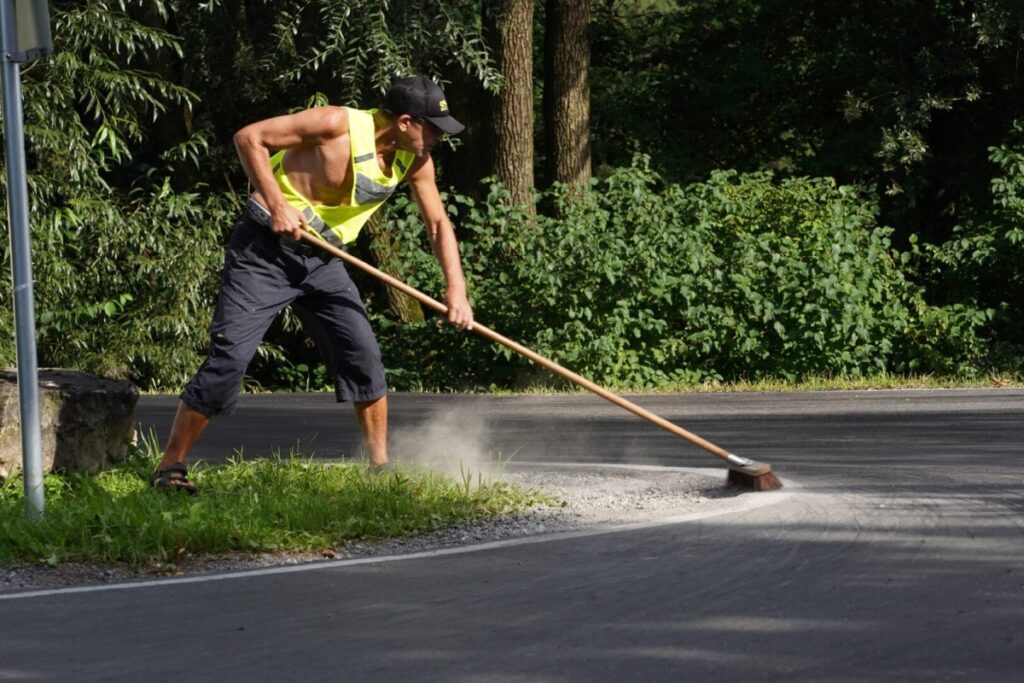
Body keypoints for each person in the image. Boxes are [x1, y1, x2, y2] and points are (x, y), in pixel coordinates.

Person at [150, 76, 474, 493]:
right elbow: (249, 138)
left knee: (362, 355)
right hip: (263, 251)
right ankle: (170, 467)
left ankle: (379, 470)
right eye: (433, 129)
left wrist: (457, 290)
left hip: (324, 259)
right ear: (406, 122)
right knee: (230, 358)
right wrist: (278, 204)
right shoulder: (337, 123)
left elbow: (437, 222)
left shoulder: (416, 160)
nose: (438, 140)